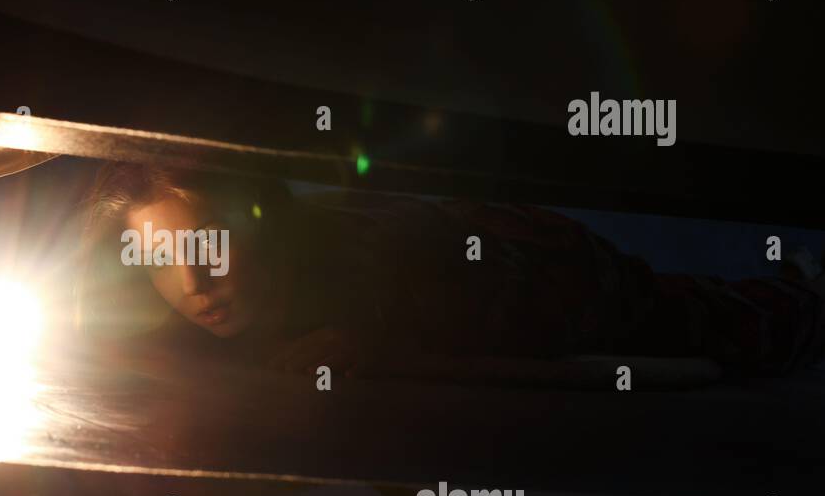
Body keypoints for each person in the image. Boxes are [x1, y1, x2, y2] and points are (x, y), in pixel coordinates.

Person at [75, 162, 825, 377]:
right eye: (164, 259)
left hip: (537, 263)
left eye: (210, 246)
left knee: (713, 323)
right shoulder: (155, 318)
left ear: (265, 228)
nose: (194, 283)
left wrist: (370, 335)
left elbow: (399, 259)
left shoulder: (386, 265)